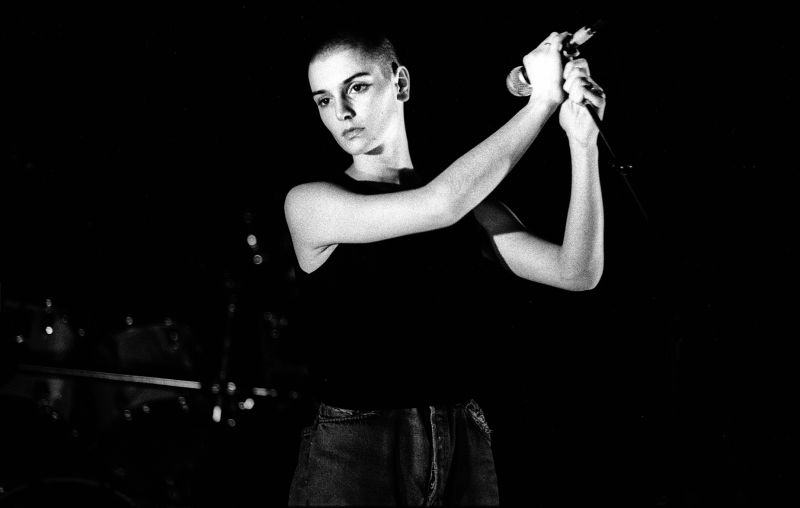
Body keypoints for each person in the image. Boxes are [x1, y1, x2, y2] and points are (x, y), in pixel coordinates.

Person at [283, 24, 606, 506]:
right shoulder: (310, 203)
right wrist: (540, 102)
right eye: (324, 100)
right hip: (356, 446)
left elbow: (576, 270)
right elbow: (439, 205)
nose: (342, 112)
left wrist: (582, 146)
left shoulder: (467, 203)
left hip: (461, 438)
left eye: (356, 86)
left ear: (401, 83)